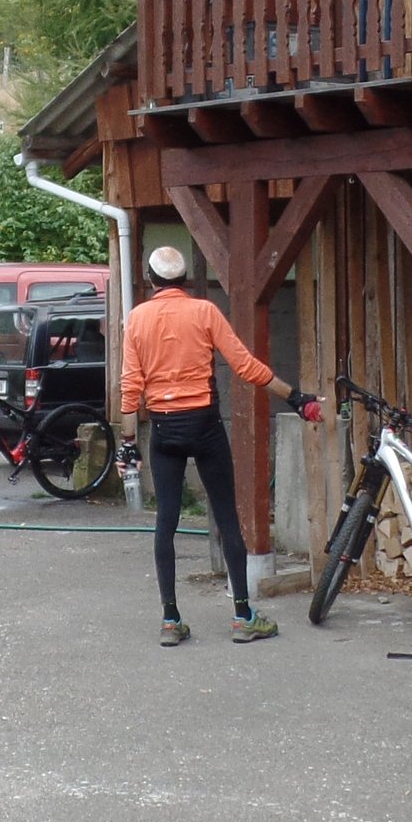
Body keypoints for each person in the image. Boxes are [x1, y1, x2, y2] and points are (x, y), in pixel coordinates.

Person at [119, 243, 317, 647]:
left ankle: (171, 620)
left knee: (166, 523)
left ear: (151, 280)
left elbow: (130, 387)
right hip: (205, 425)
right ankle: (243, 616)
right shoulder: (205, 312)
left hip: (164, 429)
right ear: (185, 279)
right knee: (227, 517)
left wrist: (128, 443)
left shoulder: (137, 319)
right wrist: (295, 397)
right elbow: (244, 365)